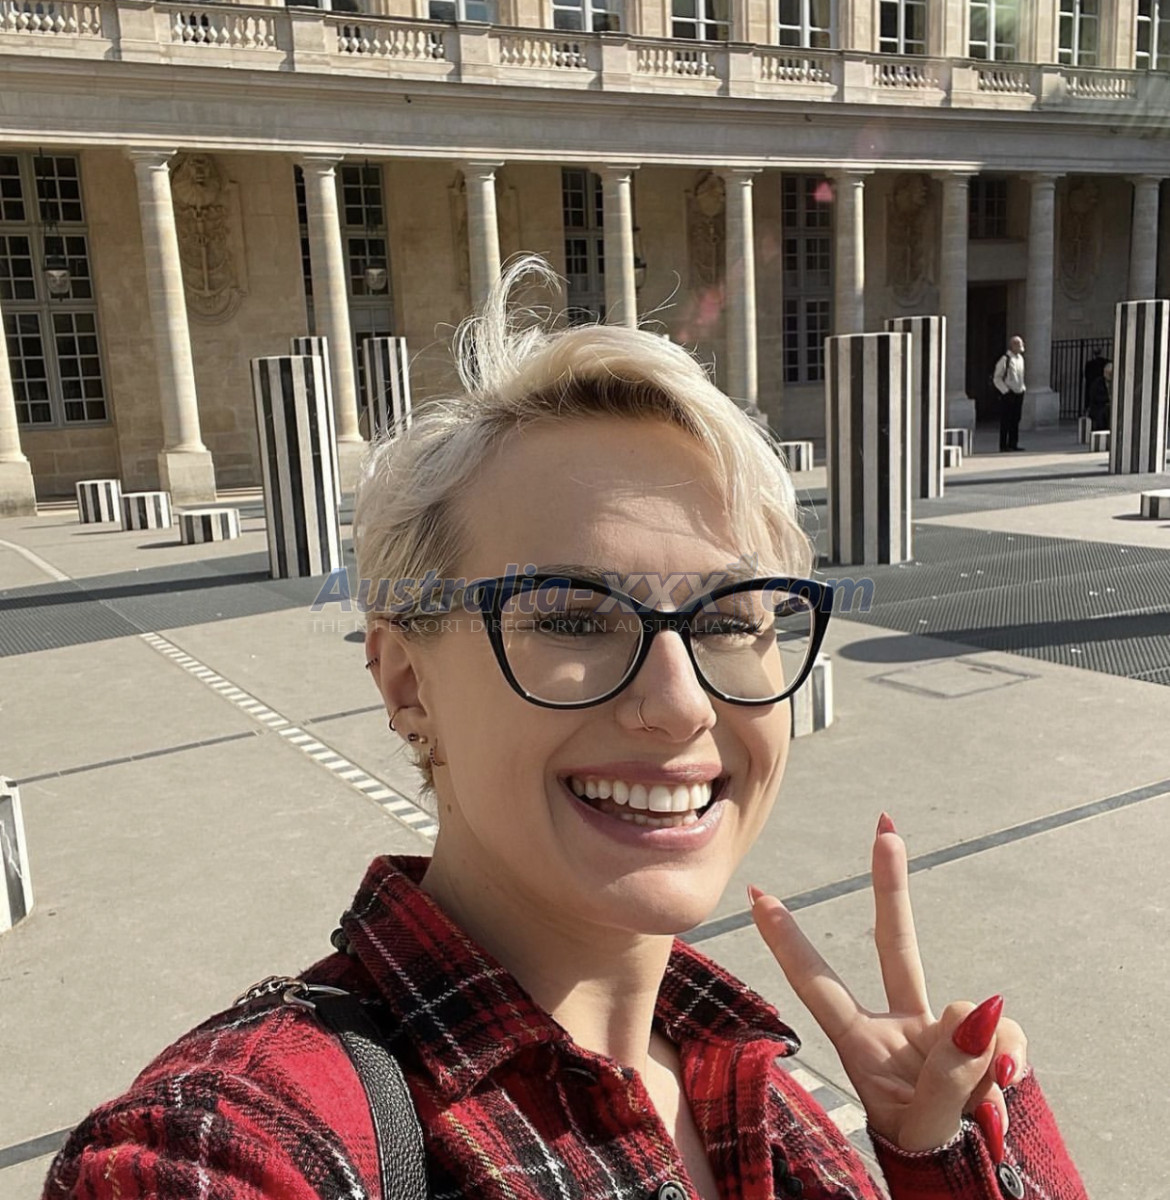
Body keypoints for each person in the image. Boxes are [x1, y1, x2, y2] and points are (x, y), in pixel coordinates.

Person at [43, 260, 1088, 1200]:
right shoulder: (246, 1140)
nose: (681, 703)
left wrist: (941, 1162)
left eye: (731, 618)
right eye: (576, 618)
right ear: (407, 681)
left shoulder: (762, 1089)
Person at [993, 336, 1027, 452]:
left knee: (1016, 419)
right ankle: (1003, 445)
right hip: (1008, 393)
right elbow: (997, 378)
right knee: (1006, 420)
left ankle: (1013, 443)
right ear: (1013, 345)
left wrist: (1022, 388)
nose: (1021, 347)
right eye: (1019, 344)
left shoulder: (1020, 359)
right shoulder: (1005, 359)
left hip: (1019, 392)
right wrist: (1005, 391)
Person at [1086, 360, 1112, 432]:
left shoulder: (1115, 383)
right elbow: (1095, 397)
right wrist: (1108, 399)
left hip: (1108, 406)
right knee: (1104, 412)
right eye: (1108, 373)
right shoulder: (1097, 383)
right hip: (1099, 407)